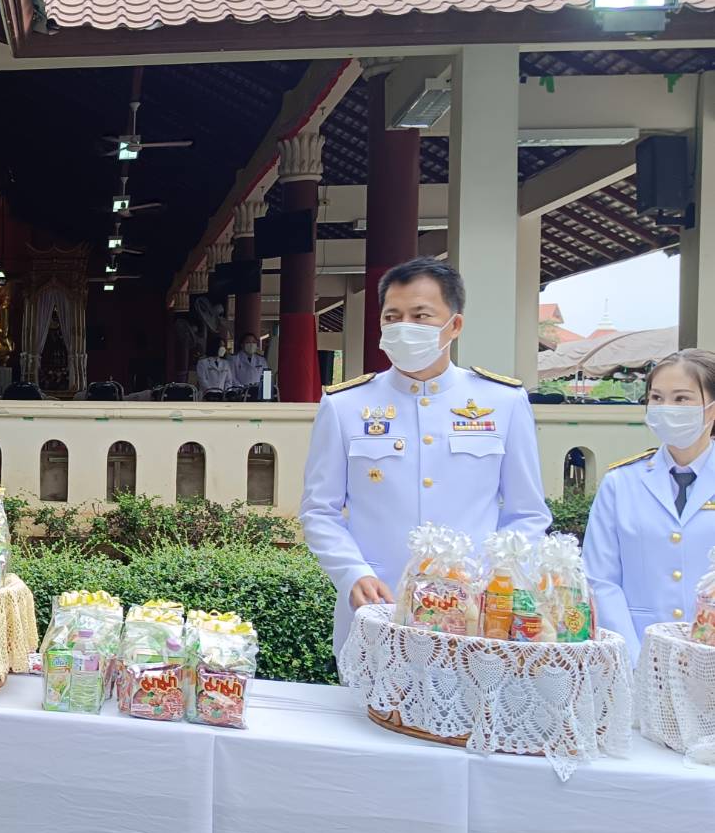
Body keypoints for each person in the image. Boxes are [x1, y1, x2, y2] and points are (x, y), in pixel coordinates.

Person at [299, 257, 551, 652]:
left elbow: (528, 514)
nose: (404, 328)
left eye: (421, 315)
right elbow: (320, 510)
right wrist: (353, 574)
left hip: (474, 614)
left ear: (455, 325)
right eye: (392, 317)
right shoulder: (345, 405)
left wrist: (491, 579)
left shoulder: (502, 402)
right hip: (377, 609)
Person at [584, 349, 715, 659]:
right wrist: (633, 659)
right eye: (656, 398)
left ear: (711, 410)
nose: (666, 408)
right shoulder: (621, 483)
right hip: (638, 655)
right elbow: (600, 580)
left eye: (681, 399)